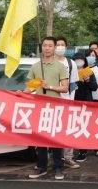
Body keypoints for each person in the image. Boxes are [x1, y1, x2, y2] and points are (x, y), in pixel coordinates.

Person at [27, 36, 69, 180]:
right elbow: (30, 86)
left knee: (55, 138)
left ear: (55, 48)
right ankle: (42, 166)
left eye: (50, 46)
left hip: (55, 107)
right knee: (41, 139)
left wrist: (49, 86)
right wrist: (22, 93)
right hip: (39, 107)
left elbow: (65, 88)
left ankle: (58, 167)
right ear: (42, 47)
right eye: (45, 45)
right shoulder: (35, 66)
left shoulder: (60, 66)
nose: (47, 48)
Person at [54, 37, 81, 169]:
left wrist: (70, 100)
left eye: (62, 45)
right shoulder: (48, 62)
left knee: (67, 130)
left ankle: (68, 157)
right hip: (50, 102)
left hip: (66, 102)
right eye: (57, 44)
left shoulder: (71, 63)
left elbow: (73, 84)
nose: (60, 47)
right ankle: (50, 159)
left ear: (66, 47)